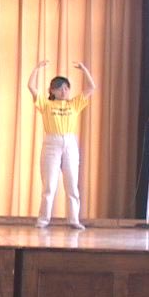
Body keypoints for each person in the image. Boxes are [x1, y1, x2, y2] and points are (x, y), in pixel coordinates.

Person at [28, 60, 95, 230]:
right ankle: (43, 220)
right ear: (52, 91)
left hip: (70, 142)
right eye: (59, 88)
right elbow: (31, 87)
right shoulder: (46, 104)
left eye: (66, 88)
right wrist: (37, 68)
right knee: (49, 185)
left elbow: (91, 88)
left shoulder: (74, 104)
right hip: (52, 143)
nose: (63, 91)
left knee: (72, 185)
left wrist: (84, 69)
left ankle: (73, 219)